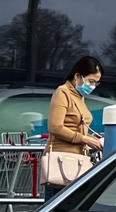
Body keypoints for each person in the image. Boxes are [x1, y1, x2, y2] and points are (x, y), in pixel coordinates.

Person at [45, 55, 105, 189]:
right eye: (91, 81)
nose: (93, 86)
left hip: (77, 159)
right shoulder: (63, 92)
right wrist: (85, 139)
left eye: (96, 83)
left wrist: (93, 140)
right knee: (58, 199)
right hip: (61, 160)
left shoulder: (78, 95)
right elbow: (55, 127)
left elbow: (76, 128)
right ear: (77, 76)